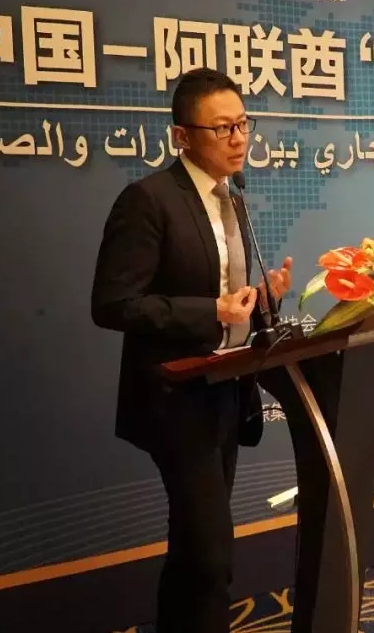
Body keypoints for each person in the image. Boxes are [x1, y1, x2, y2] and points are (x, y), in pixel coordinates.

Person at [90, 67, 293, 633]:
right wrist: (211, 312)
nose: (238, 138)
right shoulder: (148, 200)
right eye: (221, 128)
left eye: (243, 123)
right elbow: (113, 304)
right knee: (209, 557)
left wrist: (264, 301)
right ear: (182, 136)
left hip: (226, 389)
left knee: (193, 552)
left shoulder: (234, 195)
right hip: (176, 399)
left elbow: (229, 295)